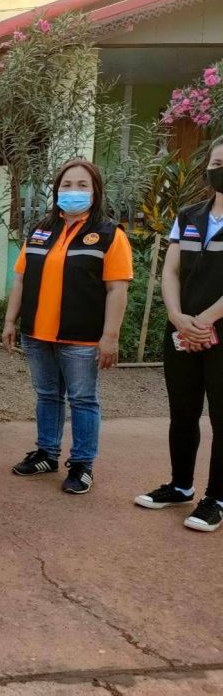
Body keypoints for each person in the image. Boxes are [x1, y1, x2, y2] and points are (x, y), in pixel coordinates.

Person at [2, 158, 132, 495]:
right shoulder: (41, 230)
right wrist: (10, 320)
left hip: (82, 337)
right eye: (67, 185)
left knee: (83, 400)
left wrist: (110, 337)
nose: (73, 191)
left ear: (95, 191)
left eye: (82, 185)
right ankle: (47, 453)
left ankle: (82, 464)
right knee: (47, 395)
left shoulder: (109, 235)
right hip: (37, 332)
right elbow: (21, 278)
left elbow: (117, 289)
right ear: (57, 190)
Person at [135, 136, 223, 530]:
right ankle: (181, 485)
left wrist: (205, 320)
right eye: (217, 163)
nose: (220, 170)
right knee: (183, 412)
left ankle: (216, 498)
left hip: (212, 330)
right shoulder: (188, 215)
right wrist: (176, 315)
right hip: (183, 331)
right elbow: (170, 270)